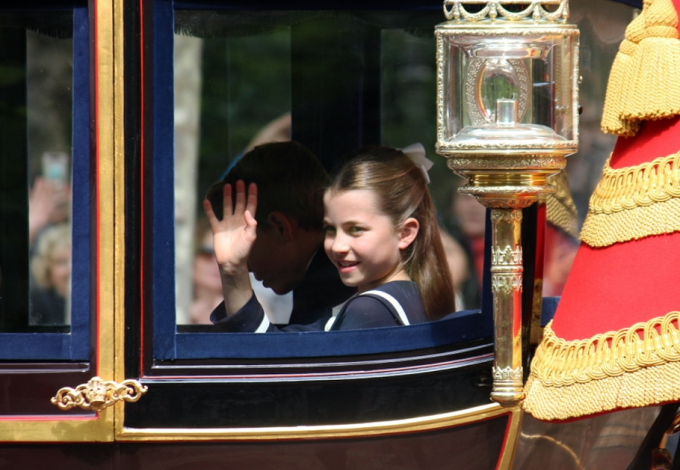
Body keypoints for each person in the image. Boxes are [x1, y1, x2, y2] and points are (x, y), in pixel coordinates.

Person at [205, 145, 455, 332]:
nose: (337, 246)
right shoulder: (407, 296)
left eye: (356, 229)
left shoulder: (371, 310)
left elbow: (270, 366)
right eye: (330, 229)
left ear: (405, 233)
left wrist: (232, 270)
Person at [205, 141, 355, 331]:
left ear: (280, 227)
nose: (247, 268)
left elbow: (267, 356)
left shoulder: (335, 293)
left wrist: (232, 270)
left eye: (244, 241)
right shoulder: (321, 283)